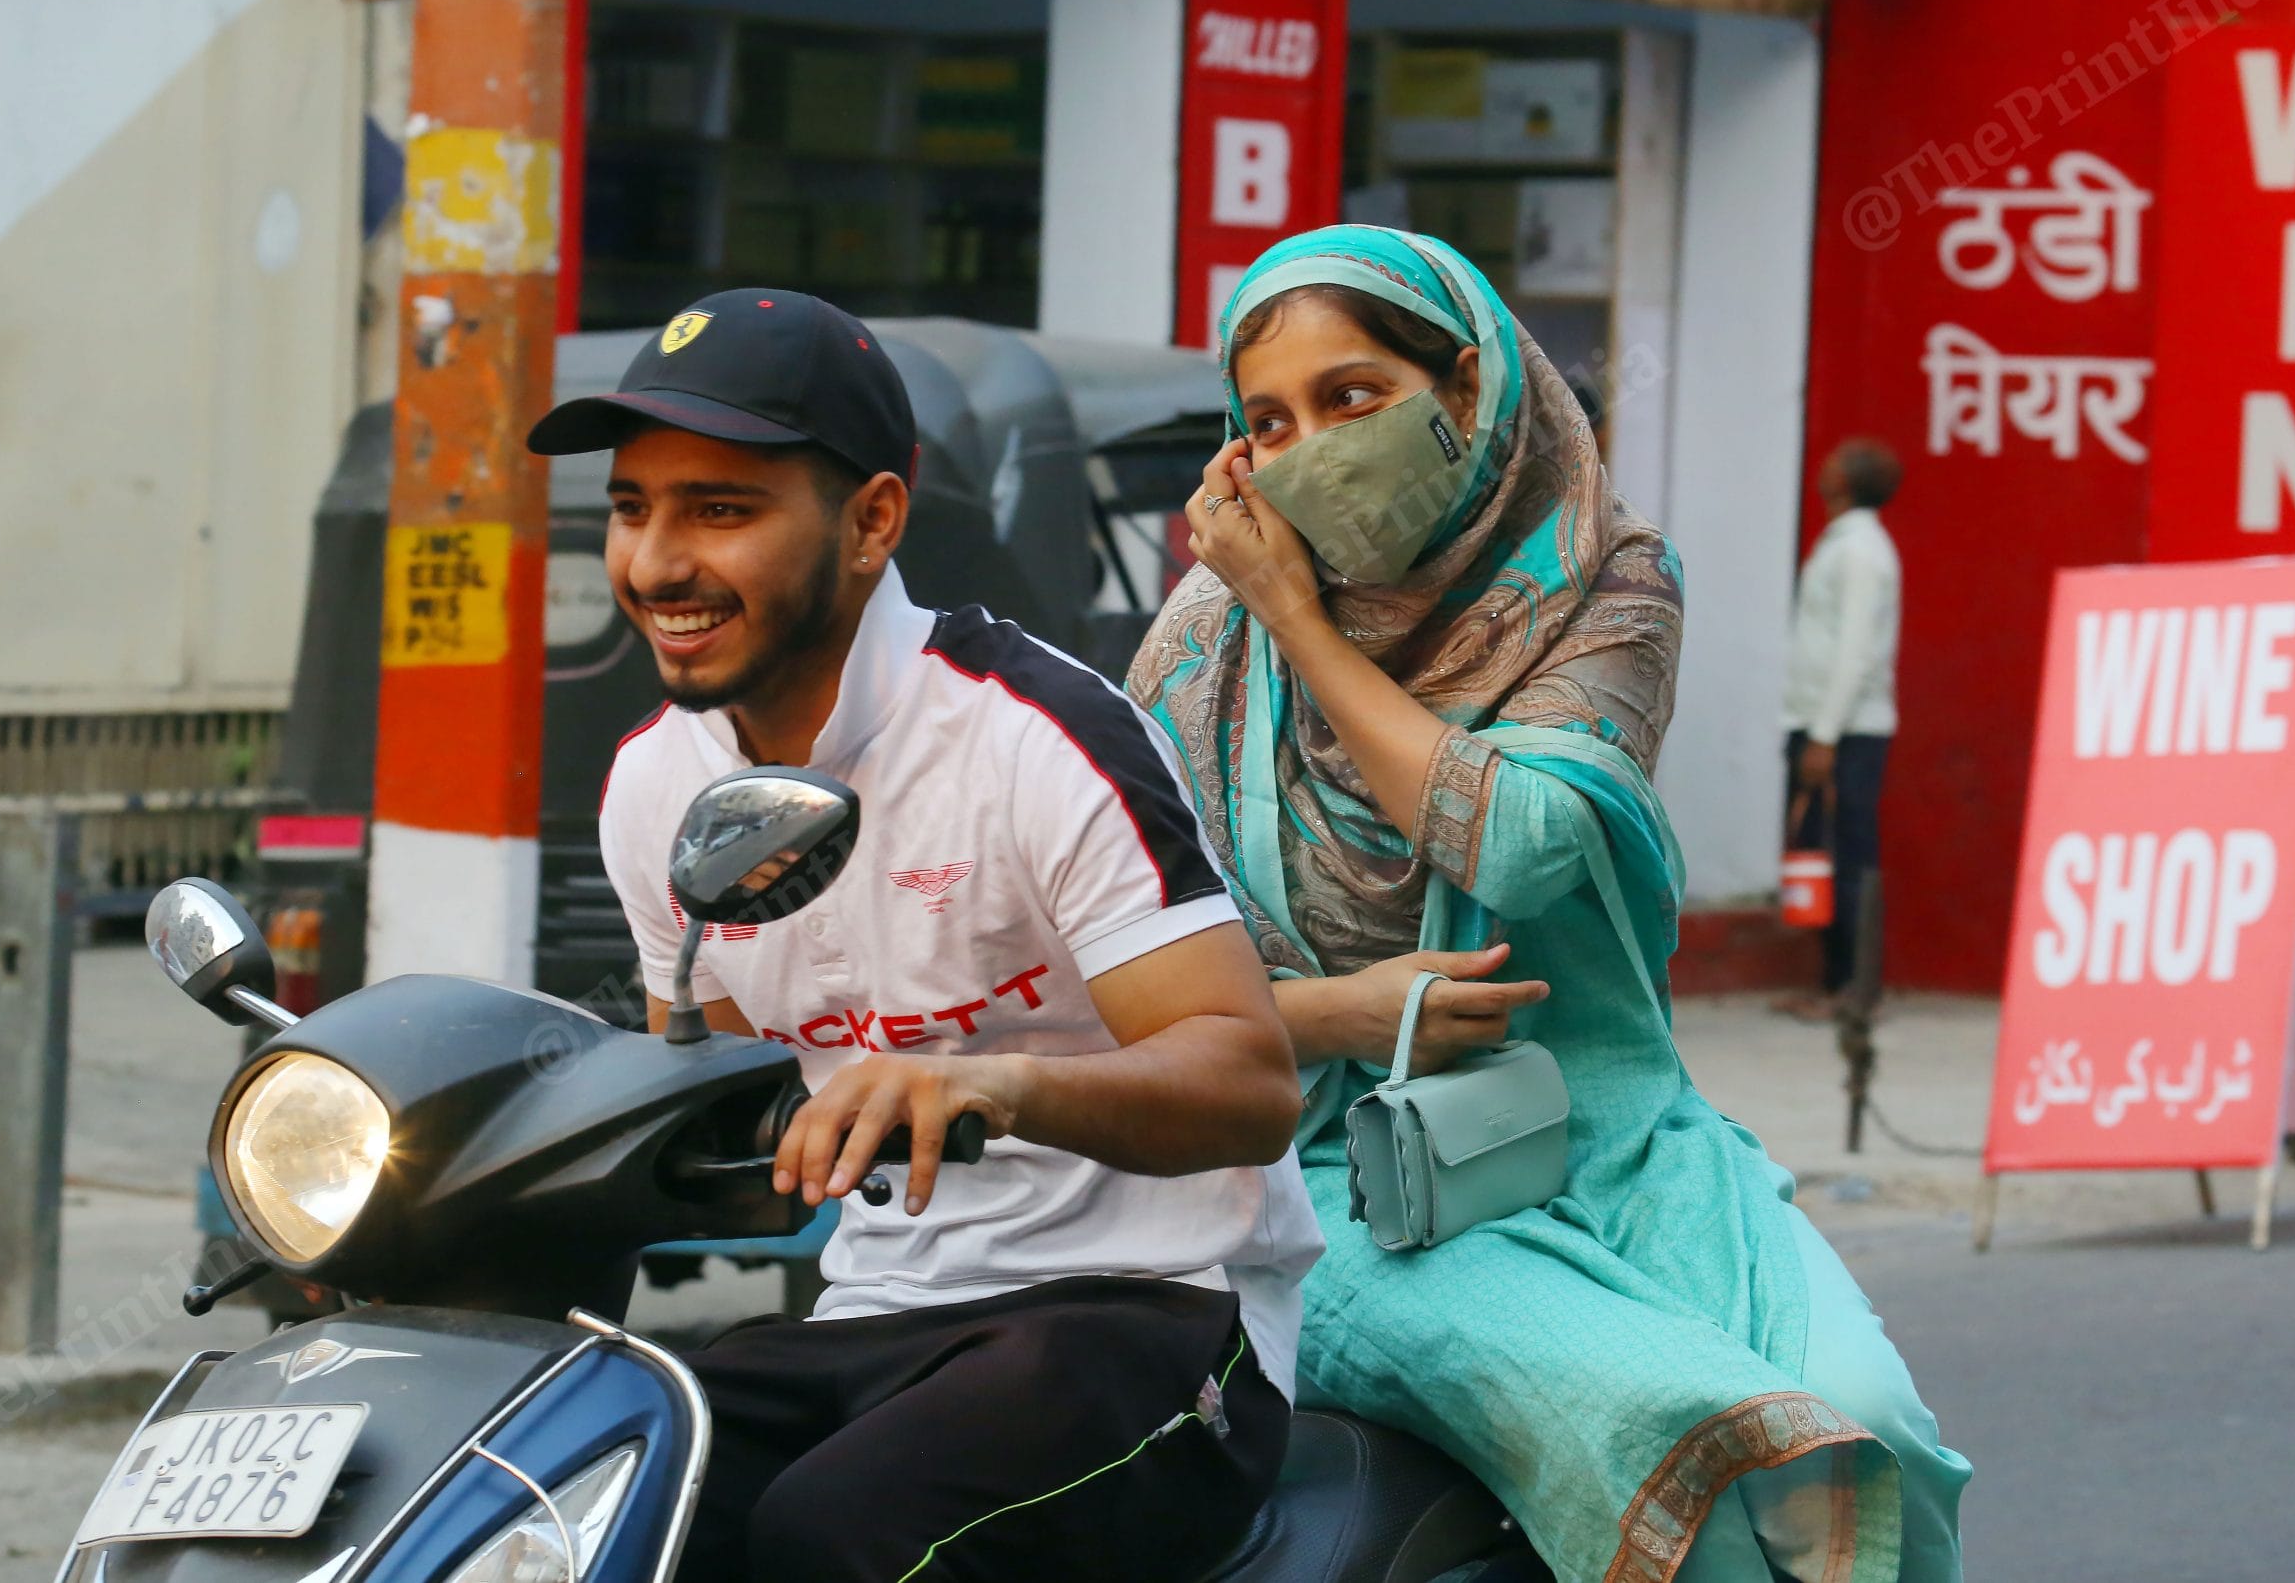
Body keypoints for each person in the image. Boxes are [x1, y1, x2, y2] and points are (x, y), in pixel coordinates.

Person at [1127, 228, 1968, 1583]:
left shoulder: (1606, 582)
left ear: (1465, 387)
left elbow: (1519, 841)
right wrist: (1344, 1009)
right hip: (1338, 1184)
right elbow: (1132, 990)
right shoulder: (1201, 653)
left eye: (1352, 398)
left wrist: (1304, 625)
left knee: (1856, 1427)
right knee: (1689, 1428)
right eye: (1267, 422)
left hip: (1617, 1137)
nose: (1309, 449)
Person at [528, 288, 1322, 1583]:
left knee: (836, 1531)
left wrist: (993, 1083)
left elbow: (1248, 1082)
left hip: (1152, 1310)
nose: (657, 561)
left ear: (872, 520)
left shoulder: (1038, 736)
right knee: (587, 1491)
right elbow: (741, 1098)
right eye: (634, 507)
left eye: (720, 509)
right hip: (882, 1305)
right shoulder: (653, 789)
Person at [1779, 438, 1905, 1021]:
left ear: (1849, 480)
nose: (1824, 465)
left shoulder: (1862, 552)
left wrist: (1825, 735)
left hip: (1846, 732)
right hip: (1828, 725)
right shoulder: (1847, 545)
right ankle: (1834, 983)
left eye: (1837, 461)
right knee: (1823, 858)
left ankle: (1854, 989)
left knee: (1847, 858)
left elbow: (1856, 652)